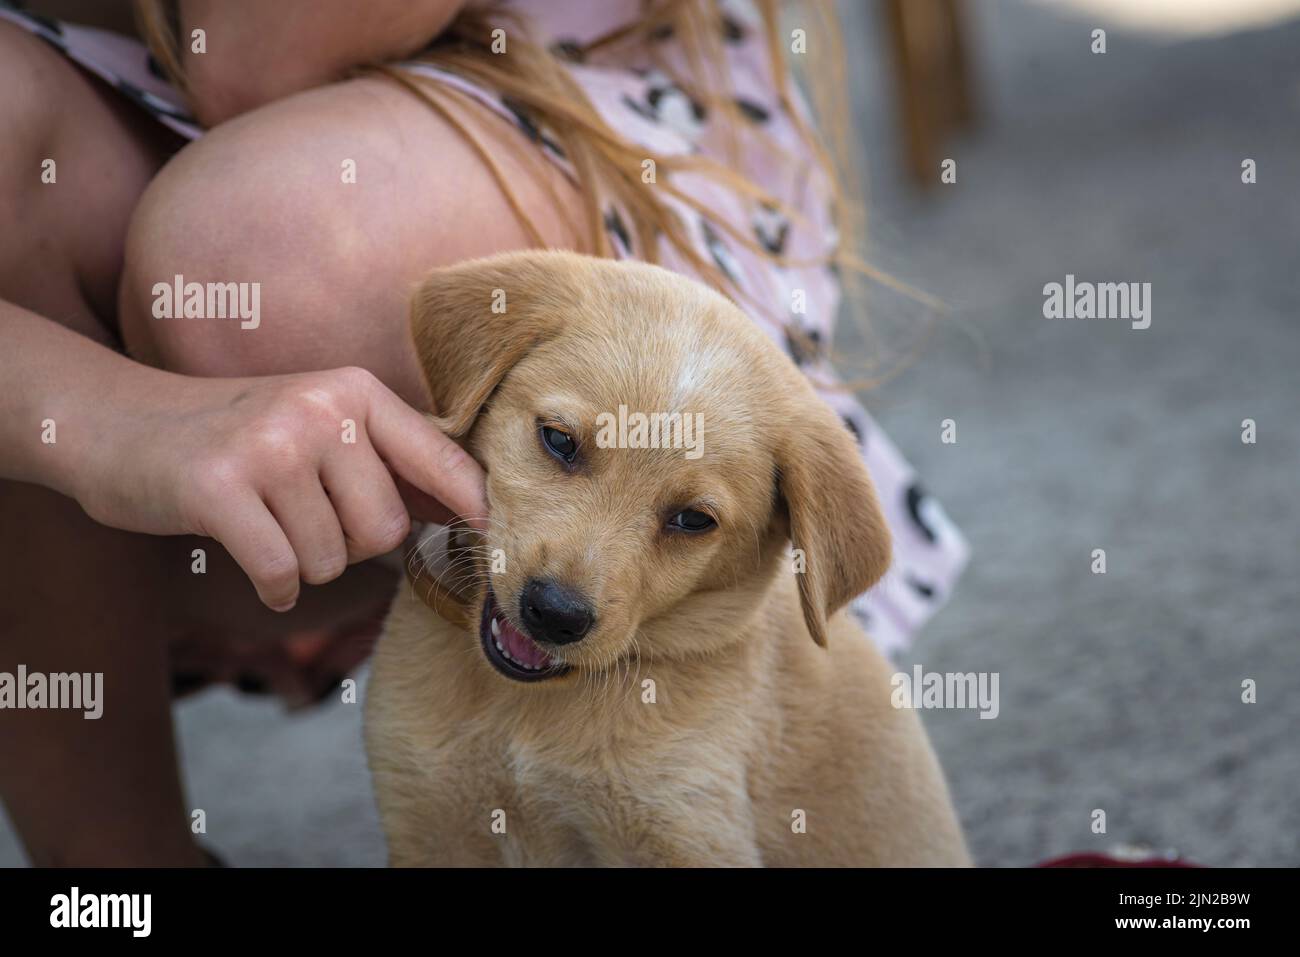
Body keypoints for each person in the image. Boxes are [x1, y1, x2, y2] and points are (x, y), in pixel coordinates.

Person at [0, 0, 968, 865]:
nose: (566, 587)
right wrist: (99, 424)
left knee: (253, 254)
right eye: (560, 445)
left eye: (687, 522)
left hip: (559, 91)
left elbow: (256, 54)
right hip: (105, 85)